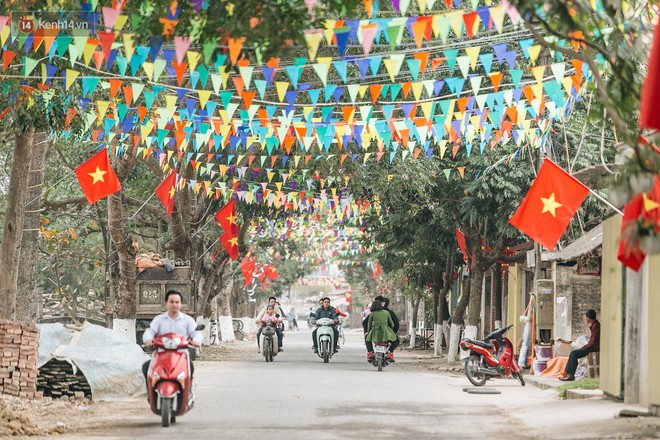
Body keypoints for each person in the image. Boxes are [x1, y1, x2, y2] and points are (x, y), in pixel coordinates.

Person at [142, 290, 203, 392]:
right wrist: (148, 339)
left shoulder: (187, 320)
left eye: (177, 302)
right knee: (146, 367)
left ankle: (189, 389)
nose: (174, 304)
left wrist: (196, 340)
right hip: (161, 355)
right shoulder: (159, 320)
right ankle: (150, 392)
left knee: (190, 367)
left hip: (181, 355)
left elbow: (196, 333)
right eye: (172, 302)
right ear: (166, 303)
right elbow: (150, 331)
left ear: (180, 304)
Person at [559, 309, 601, 381]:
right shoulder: (595, 325)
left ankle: (571, 375)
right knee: (573, 353)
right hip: (593, 346)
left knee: (574, 353)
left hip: (594, 347)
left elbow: (593, 342)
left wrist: (583, 347)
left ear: (588, 317)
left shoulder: (596, 326)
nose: (585, 319)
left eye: (586, 317)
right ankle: (567, 374)